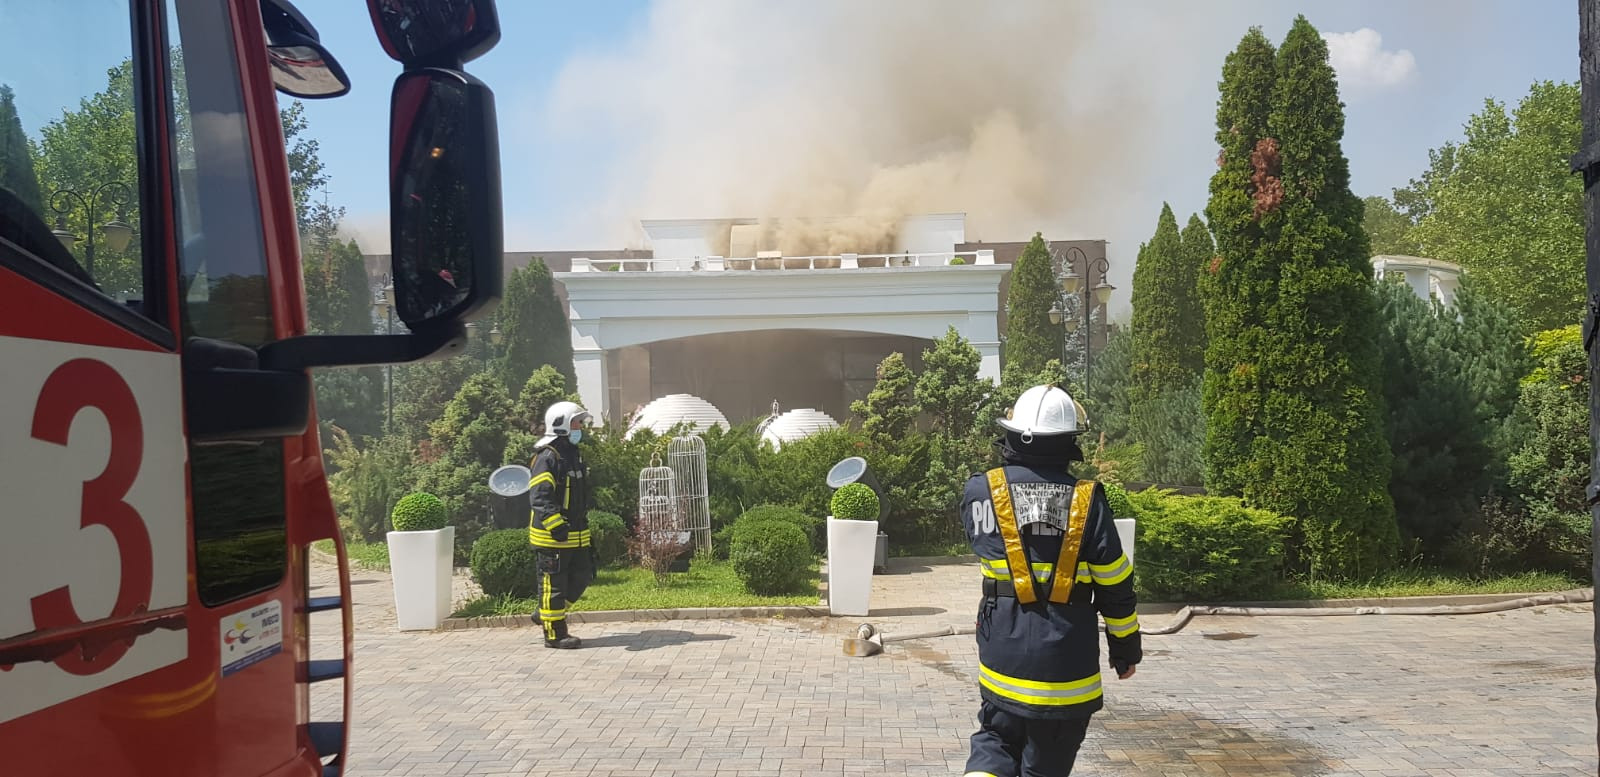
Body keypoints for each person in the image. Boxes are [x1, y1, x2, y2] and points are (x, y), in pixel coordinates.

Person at [960, 384, 1141, 777]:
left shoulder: (980, 490)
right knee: (1045, 766)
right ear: (1068, 440)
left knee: (994, 743)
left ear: (1012, 433)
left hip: (1002, 654)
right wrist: (1126, 648)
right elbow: (1114, 582)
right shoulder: (1087, 499)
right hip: (1065, 667)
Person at [528, 400, 596, 649]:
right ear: (562, 425)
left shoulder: (572, 455)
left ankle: (544, 612)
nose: (581, 428)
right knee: (553, 587)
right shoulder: (547, 458)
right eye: (577, 423)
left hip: (575, 535)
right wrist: (556, 526)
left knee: (582, 577)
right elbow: (540, 497)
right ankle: (555, 634)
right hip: (552, 537)